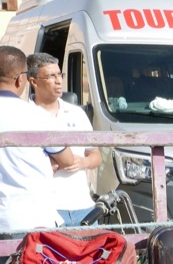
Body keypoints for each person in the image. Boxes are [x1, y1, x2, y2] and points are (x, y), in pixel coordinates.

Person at [0, 46, 74, 234]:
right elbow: (67, 160)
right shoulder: (37, 116)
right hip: (30, 221)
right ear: (21, 79)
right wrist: (40, 161)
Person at [27, 52, 102, 225]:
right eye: (51, 76)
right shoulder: (25, 114)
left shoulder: (77, 113)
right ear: (34, 82)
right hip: (46, 210)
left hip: (84, 208)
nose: (59, 80)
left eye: (60, 74)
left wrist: (83, 162)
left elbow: (95, 156)